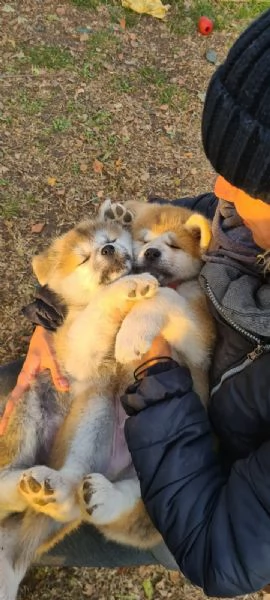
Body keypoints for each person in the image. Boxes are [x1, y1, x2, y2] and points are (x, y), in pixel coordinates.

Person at [1, 7, 270, 596]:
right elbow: (170, 220)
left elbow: (225, 552)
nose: (218, 194)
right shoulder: (234, 220)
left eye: (245, 187)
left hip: (189, 491)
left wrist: (153, 367)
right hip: (109, 379)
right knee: (20, 401)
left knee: (65, 501)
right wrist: (66, 288)